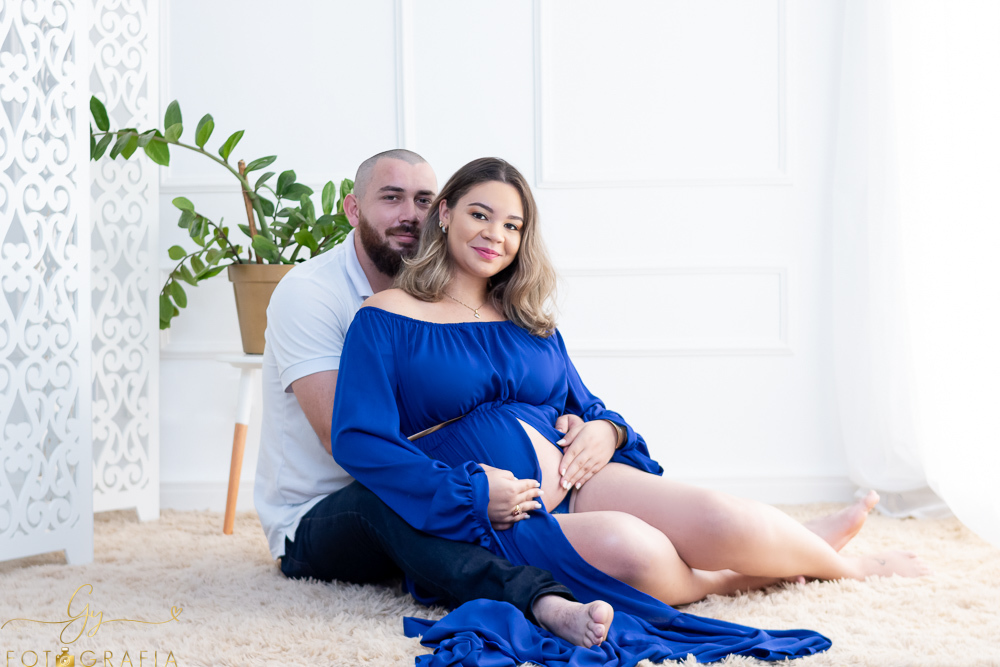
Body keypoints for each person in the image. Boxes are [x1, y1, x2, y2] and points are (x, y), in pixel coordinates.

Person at [330, 157, 929, 663]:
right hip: (501, 511)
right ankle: (769, 566)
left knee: (721, 518)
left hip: (579, 477)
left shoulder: (529, 320)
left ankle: (842, 566)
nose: (496, 235)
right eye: (480, 215)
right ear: (446, 214)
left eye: (513, 225)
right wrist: (466, 494)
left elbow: (586, 404)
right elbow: (362, 440)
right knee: (637, 553)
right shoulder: (387, 316)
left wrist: (604, 431)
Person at [254, 149, 613, 648]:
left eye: (423, 198)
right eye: (391, 198)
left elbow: (555, 394)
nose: (411, 214)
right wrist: (471, 481)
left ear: (441, 209)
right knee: (386, 498)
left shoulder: (447, 293)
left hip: (426, 482)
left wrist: (590, 427)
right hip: (325, 508)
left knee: (431, 494)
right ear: (353, 210)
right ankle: (540, 600)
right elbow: (348, 441)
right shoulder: (311, 295)